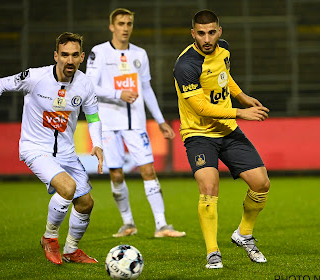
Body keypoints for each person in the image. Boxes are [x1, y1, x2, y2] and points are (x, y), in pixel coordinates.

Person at [0, 32, 103, 265]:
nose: (69, 61)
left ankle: (71, 250)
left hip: (66, 152)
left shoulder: (85, 84)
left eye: (74, 55)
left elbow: (93, 117)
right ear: (55, 56)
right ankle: (49, 238)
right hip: (35, 148)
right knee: (67, 187)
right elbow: (0, 84)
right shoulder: (35, 77)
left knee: (86, 203)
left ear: (82, 57)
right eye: (64, 55)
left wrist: (98, 144)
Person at [173, 10, 271, 269]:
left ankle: (244, 234)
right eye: (201, 33)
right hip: (199, 134)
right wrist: (241, 112)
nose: (207, 38)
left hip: (227, 130)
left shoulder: (223, 50)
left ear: (220, 31)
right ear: (193, 33)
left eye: (212, 32)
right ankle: (212, 252)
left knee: (261, 184)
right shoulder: (186, 65)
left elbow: (224, 78)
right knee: (209, 186)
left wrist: (241, 96)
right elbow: (201, 108)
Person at [86, 8, 185, 238]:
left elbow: (146, 88)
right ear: (112, 26)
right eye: (121, 23)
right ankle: (128, 223)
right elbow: (90, 86)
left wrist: (160, 120)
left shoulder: (140, 54)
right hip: (109, 124)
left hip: (136, 123)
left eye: (129, 23)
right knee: (117, 175)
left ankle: (162, 225)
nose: (125, 28)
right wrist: (117, 94)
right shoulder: (98, 53)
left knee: (148, 170)